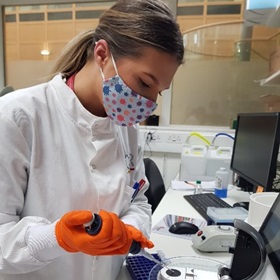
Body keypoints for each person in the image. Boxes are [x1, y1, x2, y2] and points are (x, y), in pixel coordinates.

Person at [0, 0, 184, 279]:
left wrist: (131, 228)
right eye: (145, 83)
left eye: (159, 92)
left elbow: (139, 200)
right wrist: (56, 238)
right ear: (102, 54)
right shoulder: (17, 117)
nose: (148, 103)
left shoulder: (125, 126)